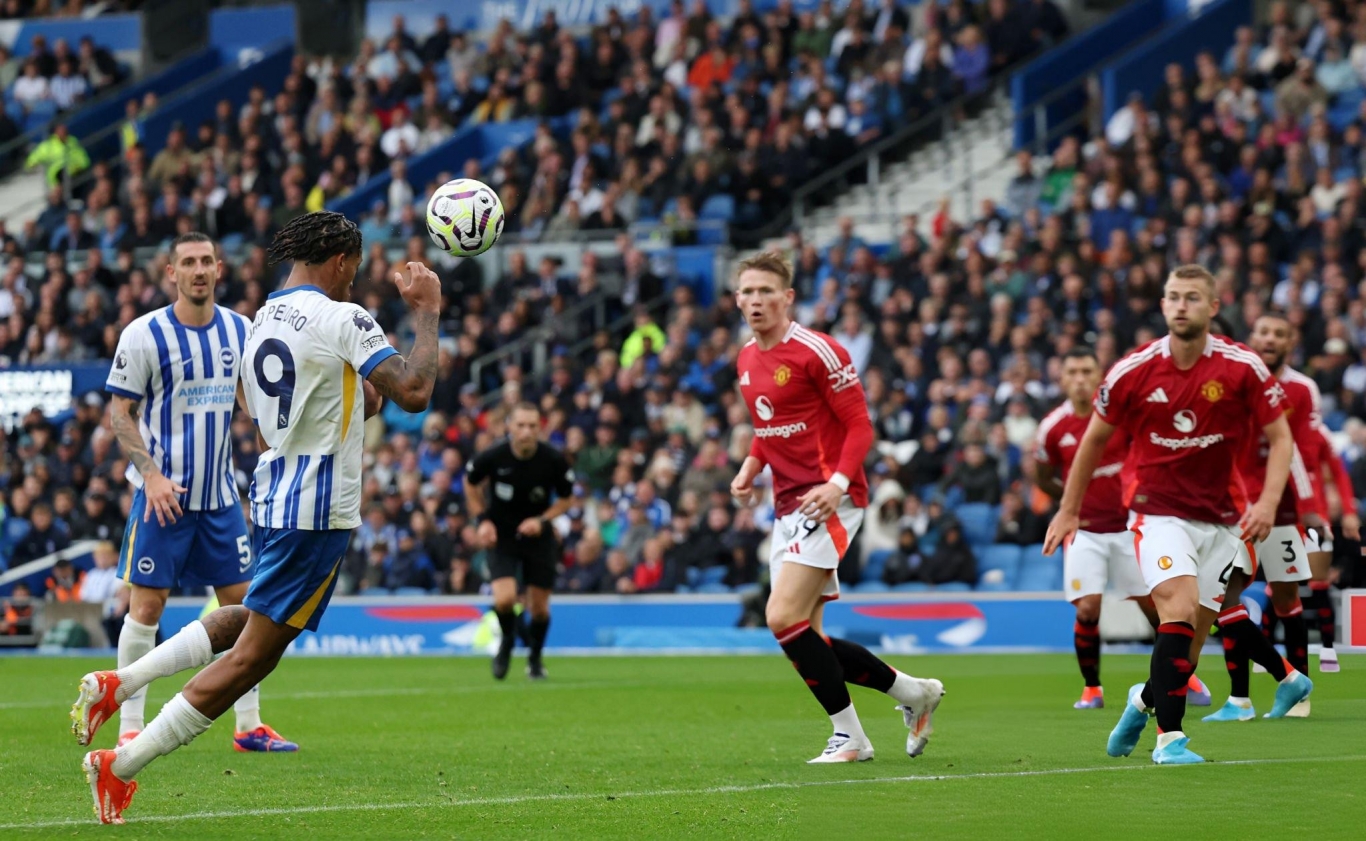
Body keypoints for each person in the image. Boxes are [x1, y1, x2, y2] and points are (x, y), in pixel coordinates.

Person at [71, 211, 441, 824]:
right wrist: (426, 311)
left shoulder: (264, 316)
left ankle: (122, 682)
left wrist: (346, 388)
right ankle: (119, 767)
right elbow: (414, 393)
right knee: (255, 656)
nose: (355, 280)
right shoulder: (343, 315)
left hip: (272, 493)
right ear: (343, 262)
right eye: (355, 269)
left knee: (247, 615)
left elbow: (348, 400)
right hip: (317, 507)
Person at [1044, 264, 1311, 765]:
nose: (1180, 305)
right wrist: (1068, 510)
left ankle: (1141, 701)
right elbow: (1093, 441)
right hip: (1158, 514)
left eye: (1192, 296)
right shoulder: (1133, 370)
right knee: (1179, 609)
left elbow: (1281, 438)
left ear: (1212, 306)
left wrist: (1269, 503)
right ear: (1163, 305)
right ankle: (1170, 740)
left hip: (1222, 520)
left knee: (1186, 655)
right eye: (1172, 297)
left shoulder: (1241, 366)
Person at [729, 251, 944, 764]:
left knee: (780, 616)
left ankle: (851, 737)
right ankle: (914, 694)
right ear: (737, 299)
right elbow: (769, 429)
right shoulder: (745, 359)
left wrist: (839, 483)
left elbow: (860, 426)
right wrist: (751, 465)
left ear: (788, 298)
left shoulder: (819, 351)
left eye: (766, 291)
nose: (756, 300)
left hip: (830, 499)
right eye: (747, 292)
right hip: (787, 504)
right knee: (808, 637)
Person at [91, 232, 295, 753]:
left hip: (221, 497)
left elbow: (253, 402)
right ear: (171, 273)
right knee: (147, 609)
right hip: (164, 497)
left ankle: (248, 727)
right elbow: (120, 413)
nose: (198, 270)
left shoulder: (240, 329)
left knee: (248, 610)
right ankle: (129, 726)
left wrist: (280, 445)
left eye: (206, 261)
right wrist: (153, 477)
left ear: (219, 269)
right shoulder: (144, 334)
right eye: (188, 262)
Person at [1034, 347, 1212, 710]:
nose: (1081, 379)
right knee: (1087, 608)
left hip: (1132, 527)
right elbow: (1043, 476)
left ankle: (1183, 673)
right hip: (1085, 532)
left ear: (1100, 374)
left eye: (1087, 371)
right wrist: (1073, 502)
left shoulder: (1122, 418)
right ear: (1063, 378)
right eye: (1073, 372)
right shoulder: (1053, 427)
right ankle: (1092, 689)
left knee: (1158, 605)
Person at [1204, 313, 1352, 721]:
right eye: (1263, 332)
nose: (1269, 339)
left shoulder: (1302, 390)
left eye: (1279, 333)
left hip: (1282, 512)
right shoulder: (1235, 379)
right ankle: (1240, 700)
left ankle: (1298, 692)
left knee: (1286, 598)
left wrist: (1309, 507)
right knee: (1222, 597)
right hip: (1234, 509)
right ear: (1252, 337)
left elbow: (1302, 449)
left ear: (1291, 341)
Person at [463, 402, 575, 680]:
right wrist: (482, 520)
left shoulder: (553, 459)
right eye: (521, 425)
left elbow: (566, 498)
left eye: (532, 426)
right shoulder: (493, 456)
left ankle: (535, 659)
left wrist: (543, 520)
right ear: (509, 427)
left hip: (538, 538)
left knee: (538, 609)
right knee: (504, 599)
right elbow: (470, 482)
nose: (526, 432)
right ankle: (508, 642)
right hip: (502, 536)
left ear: (541, 427)